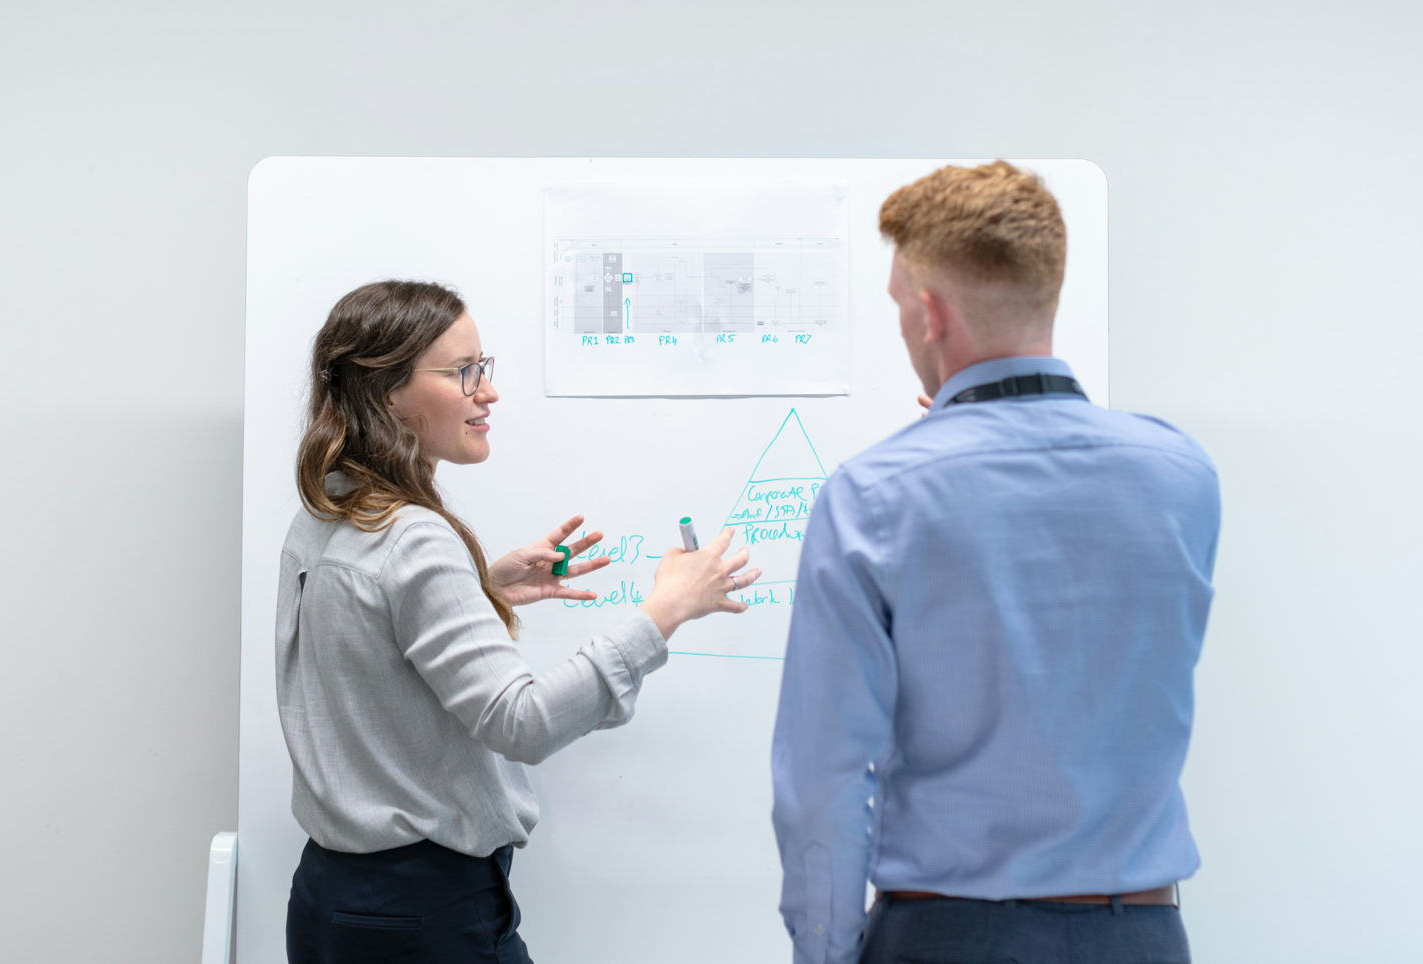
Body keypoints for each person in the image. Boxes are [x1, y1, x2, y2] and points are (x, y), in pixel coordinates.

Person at [771, 162, 1220, 964]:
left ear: (931, 315)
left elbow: (825, 784)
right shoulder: (1181, 476)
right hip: (1146, 937)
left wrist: (824, 952)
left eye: (900, 308)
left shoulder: (875, 497)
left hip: (953, 937)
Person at [278, 280, 760, 963]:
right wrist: (665, 612)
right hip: (422, 915)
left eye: (484, 367)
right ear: (387, 394)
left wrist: (480, 589)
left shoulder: (330, 510)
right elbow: (522, 722)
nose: (487, 392)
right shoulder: (414, 538)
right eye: (461, 372)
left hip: (335, 901)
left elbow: (363, 645)